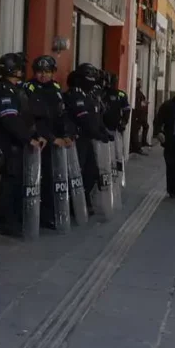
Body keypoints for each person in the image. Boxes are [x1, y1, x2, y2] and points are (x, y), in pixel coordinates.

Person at [0, 52, 46, 235]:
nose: (22, 70)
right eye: (19, 67)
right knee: (10, 182)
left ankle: (16, 218)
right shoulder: (2, 89)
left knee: (18, 181)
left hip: (21, 144)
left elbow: (26, 117)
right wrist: (28, 138)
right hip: (8, 144)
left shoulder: (18, 89)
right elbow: (10, 119)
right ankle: (7, 222)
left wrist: (36, 135)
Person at [24, 55, 76, 229]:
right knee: (38, 180)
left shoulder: (55, 88)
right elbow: (33, 119)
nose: (43, 75)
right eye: (40, 71)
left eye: (47, 72)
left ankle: (51, 213)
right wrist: (53, 139)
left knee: (53, 179)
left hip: (55, 141)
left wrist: (68, 134)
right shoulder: (29, 88)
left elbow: (61, 115)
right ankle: (38, 217)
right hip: (40, 141)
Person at [64, 63, 113, 213]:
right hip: (78, 139)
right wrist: (98, 134)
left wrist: (103, 130)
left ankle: (83, 199)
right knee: (77, 172)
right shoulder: (74, 95)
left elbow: (95, 117)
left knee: (91, 172)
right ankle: (74, 203)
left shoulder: (90, 95)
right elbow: (83, 119)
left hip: (88, 139)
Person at [131, 77, 150, 155]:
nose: (140, 84)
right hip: (137, 114)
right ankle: (136, 147)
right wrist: (141, 104)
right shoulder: (134, 92)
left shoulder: (139, 92)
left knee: (145, 126)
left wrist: (145, 103)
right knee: (135, 130)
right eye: (139, 82)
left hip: (142, 114)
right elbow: (135, 103)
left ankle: (143, 142)